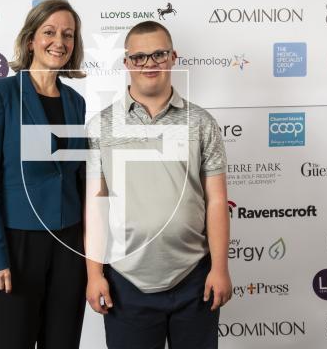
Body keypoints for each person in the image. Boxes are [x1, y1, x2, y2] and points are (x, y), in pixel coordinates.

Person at [85, 21, 232, 349]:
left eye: (158, 54)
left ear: (173, 57)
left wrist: (220, 268)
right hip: (126, 282)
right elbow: (96, 205)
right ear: (126, 63)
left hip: (195, 278)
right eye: (138, 57)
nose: (149, 63)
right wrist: (95, 275)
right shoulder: (101, 126)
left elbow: (217, 201)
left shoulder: (202, 123)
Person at [0, 0, 87, 349]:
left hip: (68, 246)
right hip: (16, 247)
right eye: (49, 32)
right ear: (30, 40)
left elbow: (76, 179)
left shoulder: (75, 102)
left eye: (68, 34)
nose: (59, 41)